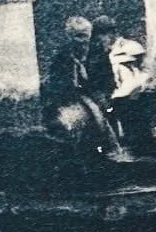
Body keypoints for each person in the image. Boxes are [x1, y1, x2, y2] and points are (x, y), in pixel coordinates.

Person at [43, 15, 123, 155]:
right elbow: (57, 81)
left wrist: (102, 94)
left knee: (98, 117)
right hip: (70, 97)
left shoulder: (97, 53)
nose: (82, 41)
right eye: (77, 36)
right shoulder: (63, 56)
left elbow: (107, 79)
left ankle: (109, 149)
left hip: (95, 95)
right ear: (69, 37)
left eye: (85, 36)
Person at [108, 38, 156, 157]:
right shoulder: (120, 69)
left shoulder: (135, 69)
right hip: (126, 104)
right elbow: (127, 89)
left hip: (136, 104)